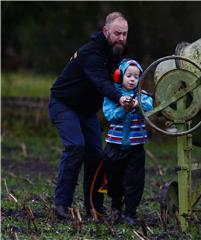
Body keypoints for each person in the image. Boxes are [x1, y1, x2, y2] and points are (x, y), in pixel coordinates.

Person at [48, 11, 129, 219]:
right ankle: (62, 205)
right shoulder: (91, 53)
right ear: (105, 31)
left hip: (86, 111)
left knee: (96, 155)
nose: (121, 38)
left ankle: (94, 207)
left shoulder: (117, 53)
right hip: (63, 104)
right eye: (117, 33)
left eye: (125, 34)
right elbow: (101, 82)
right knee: (76, 146)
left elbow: (125, 79)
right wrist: (119, 98)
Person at [102, 58, 153, 225]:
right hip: (114, 146)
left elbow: (150, 105)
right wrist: (123, 109)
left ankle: (130, 213)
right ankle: (116, 208)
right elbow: (110, 116)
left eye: (136, 77)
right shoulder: (112, 96)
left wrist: (138, 104)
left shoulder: (142, 95)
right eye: (129, 75)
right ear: (120, 76)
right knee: (113, 178)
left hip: (135, 148)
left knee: (134, 181)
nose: (132, 79)